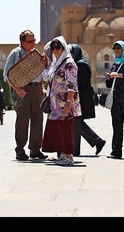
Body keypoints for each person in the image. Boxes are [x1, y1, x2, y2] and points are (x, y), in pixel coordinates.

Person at [3, 30, 47, 161]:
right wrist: (17, 89)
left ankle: (35, 150)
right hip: (22, 90)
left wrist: (42, 87)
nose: (33, 43)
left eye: (34, 40)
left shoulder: (35, 55)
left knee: (38, 119)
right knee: (22, 120)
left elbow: (41, 75)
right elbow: (7, 75)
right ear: (22, 42)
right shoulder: (15, 54)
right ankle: (20, 150)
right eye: (30, 41)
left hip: (36, 89)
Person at [41, 36, 81, 165]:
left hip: (65, 102)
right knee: (58, 128)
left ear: (64, 48)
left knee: (65, 127)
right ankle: (61, 154)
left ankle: (68, 156)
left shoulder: (69, 63)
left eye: (58, 47)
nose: (55, 50)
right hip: (56, 103)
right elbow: (47, 76)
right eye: (54, 48)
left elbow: (72, 84)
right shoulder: (57, 63)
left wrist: (69, 101)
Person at [70, 44, 106, 156]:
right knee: (78, 123)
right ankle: (97, 141)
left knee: (76, 123)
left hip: (81, 99)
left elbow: (80, 83)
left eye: (71, 52)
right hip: (81, 98)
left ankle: (76, 150)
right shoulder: (81, 63)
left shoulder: (80, 65)